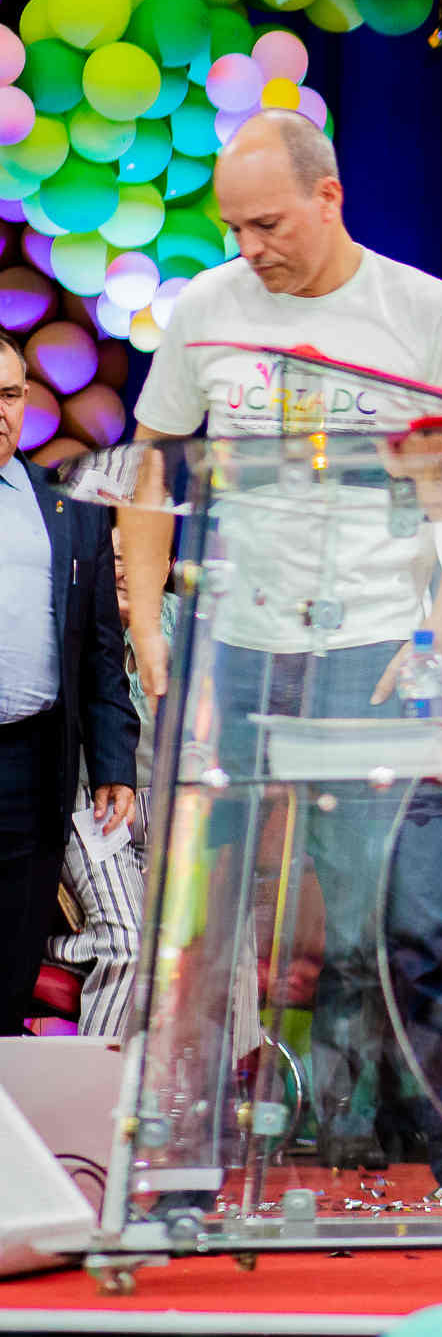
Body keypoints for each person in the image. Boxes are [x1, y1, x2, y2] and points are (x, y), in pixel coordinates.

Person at [118, 109, 442, 1202]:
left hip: (376, 645)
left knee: (411, 919)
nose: (250, 248)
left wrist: (437, 630)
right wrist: (148, 628)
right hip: (236, 645)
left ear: (330, 196)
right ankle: (178, 1177)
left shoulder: (426, 313)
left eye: (270, 224)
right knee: (196, 925)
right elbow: (151, 472)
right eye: (235, 229)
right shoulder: (205, 310)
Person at [0, 328, 138, 1035]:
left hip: (33, 764)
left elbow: (101, 649)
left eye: (9, 394)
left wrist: (114, 763)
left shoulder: (66, 504)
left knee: (9, 969)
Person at [45, 532, 171, 1037]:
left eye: (139, 560)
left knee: (196, 948)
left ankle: (198, 1079)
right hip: (91, 805)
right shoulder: (66, 624)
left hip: (172, 811)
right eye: (114, 559)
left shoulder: (189, 631)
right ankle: (98, 1088)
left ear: (167, 568)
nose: (124, 571)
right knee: (129, 946)